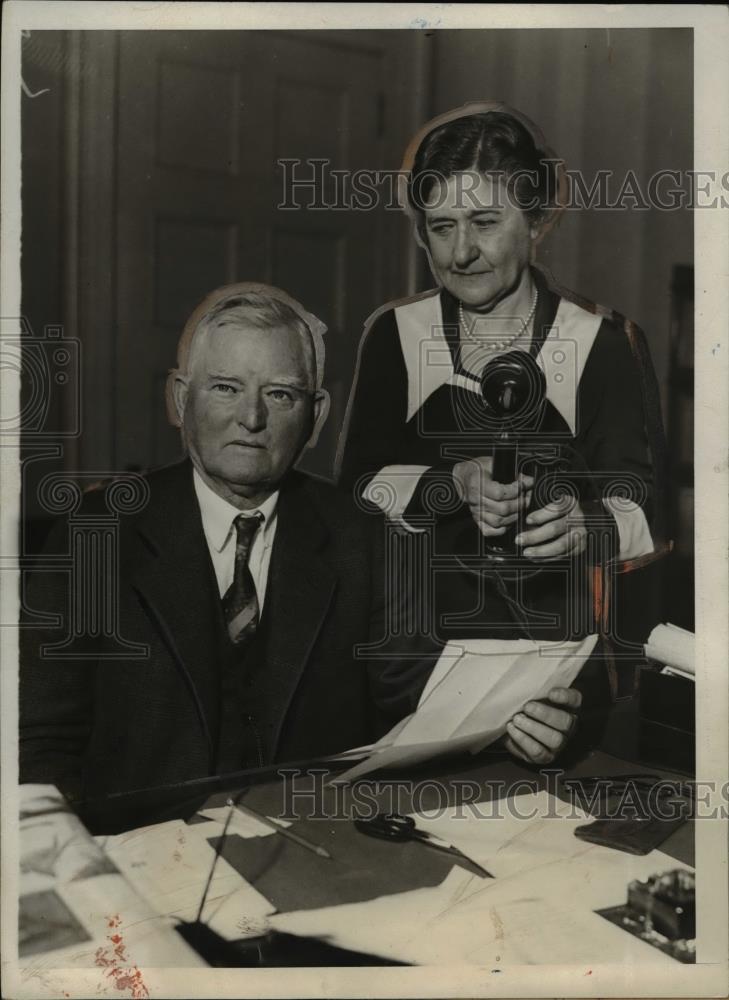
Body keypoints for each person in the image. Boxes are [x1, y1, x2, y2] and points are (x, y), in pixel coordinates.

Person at [19, 284, 437, 806]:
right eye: (225, 388)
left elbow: (426, 708)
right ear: (181, 399)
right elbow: (36, 743)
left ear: (316, 414)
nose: (252, 418)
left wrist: (516, 718)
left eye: (280, 394)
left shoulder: (364, 536)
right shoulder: (95, 537)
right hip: (143, 843)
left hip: (310, 837)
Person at [337, 103, 667, 763]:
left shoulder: (602, 343)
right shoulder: (395, 334)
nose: (461, 252)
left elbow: (646, 519)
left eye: (485, 222)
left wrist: (587, 523)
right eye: (442, 227)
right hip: (408, 666)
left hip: (550, 678)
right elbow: (353, 496)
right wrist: (448, 483)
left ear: (536, 219)